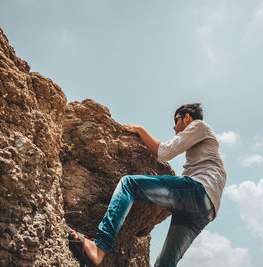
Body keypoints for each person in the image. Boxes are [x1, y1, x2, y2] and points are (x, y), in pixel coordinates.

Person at [69, 103, 227, 267]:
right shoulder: (208, 150)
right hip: (207, 210)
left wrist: (140, 130)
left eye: (177, 120)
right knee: (165, 263)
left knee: (129, 183)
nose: (174, 127)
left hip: (198, 191)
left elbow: (165, 152)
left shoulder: (198, 125)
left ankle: (100, 246)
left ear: (187, 117)